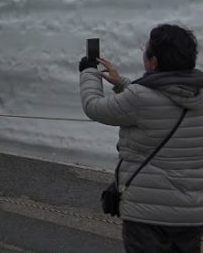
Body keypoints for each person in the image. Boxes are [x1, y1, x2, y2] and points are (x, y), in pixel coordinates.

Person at [80, 24, 203, 252]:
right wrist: (122, 83)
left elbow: (94, 107)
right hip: (193, 213)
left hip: (147, 215)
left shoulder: (139, 99)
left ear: (154, 61)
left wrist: (89, 72)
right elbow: (166, 97)